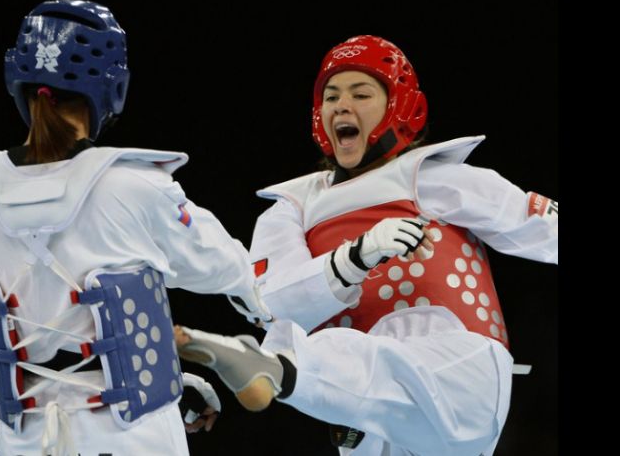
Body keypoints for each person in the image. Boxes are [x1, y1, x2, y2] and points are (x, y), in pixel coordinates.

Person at [175, 35, 558, 456]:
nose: (341, 105)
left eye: (360, 94)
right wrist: (353, 258)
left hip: (458, 370)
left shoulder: (434, 177)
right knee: (333, 349)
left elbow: (544, 229)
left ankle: (281, 370)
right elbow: (271, 306)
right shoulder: (292, 210)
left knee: (367, 363)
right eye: (331, 96)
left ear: (401, 107)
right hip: (363, 413)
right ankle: (274, 370)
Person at [0, 0, 270, 456]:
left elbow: (4, 306)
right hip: (131, 433)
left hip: (26, 438)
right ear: (111, 86)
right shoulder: (132, 181)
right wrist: (264, 309)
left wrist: (157, 370)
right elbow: (223, 267)